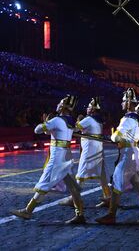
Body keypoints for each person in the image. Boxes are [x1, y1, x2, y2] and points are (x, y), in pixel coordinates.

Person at [11, 95, 86, 224]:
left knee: (45, 182)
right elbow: (51, 132)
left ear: (63, 106)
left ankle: (28, 211)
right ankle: (80, 214)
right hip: (66, 156)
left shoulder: (57, 120)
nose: (58, 104)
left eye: (60, 102)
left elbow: (37, 130)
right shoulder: (70, 121)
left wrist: (45, 123)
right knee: (73, 187)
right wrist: (48, 124)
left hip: (57, 158)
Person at [95, 88, 139, 224]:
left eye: (123, 101)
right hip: (133, 153)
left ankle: (111, 215)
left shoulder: (127, 119)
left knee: (116, 183)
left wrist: (112, 136)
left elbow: (116, 137)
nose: (122, 103)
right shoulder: (136, 120)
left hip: (127, 156)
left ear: (129, 103)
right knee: (137, 184)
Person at [60, 97, 110, 208]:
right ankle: (108, 197)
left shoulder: (88, 119)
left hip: (89, 150)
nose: (87, 108)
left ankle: (73, 198)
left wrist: (77, 120)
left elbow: (75, 129)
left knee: (81, 174)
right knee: (102, 175)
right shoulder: (99, 120)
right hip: (98, 149)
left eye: (89, 106)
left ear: (93, 109)